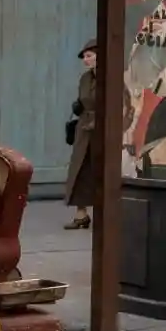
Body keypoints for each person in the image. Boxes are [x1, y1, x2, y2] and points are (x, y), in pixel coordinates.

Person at [65, 39, 98, 230]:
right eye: (84, 57)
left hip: (103, 129)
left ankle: (106, 214)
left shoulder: (112, 76)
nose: (85, 60)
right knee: (79, 168)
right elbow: (82, 99)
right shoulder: (85, 79)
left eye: (89, 56)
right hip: (84, 128)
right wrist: (77, 107)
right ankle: (81, 214)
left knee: (100, 170)